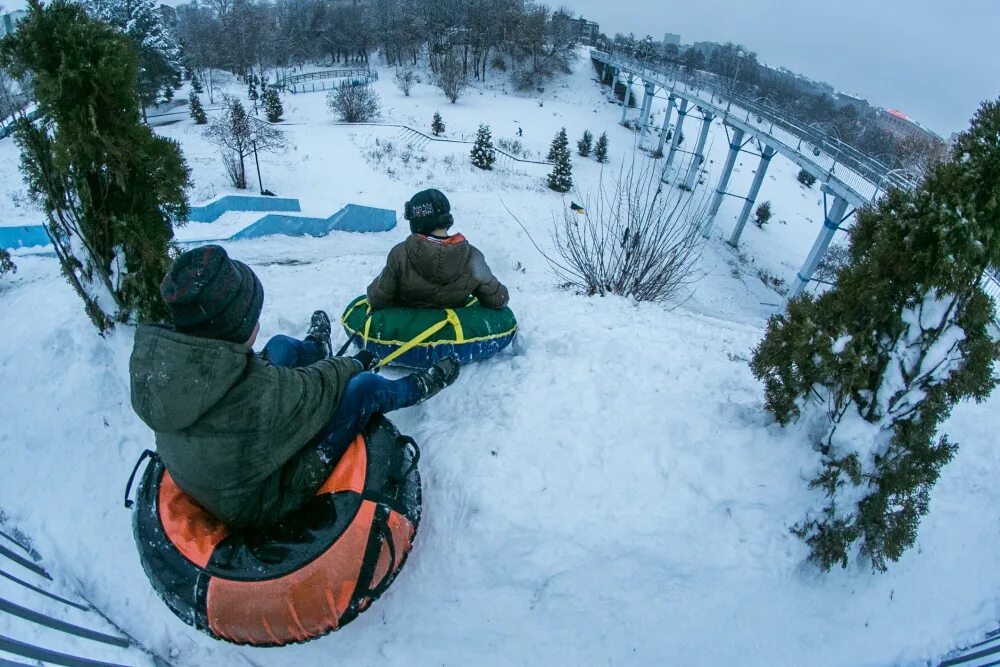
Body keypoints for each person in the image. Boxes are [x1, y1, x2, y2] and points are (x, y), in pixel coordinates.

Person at [129, 245, 459, 531]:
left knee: (281, 346)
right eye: (251, 315)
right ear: (234, 326)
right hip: (265, 497)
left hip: (225, 469)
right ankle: (420, 385)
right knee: (364, 389)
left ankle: (316, 345)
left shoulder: (166, 361)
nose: (257, 320)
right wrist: (358, 361)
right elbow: (319, 386)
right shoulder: (261, 393)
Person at [367, 189, 509, 310]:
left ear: (417, 221)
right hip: (453, 337)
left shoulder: (400, 254)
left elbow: (377, 299)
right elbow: (499, 300)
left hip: (410, 336)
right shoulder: (474, 257)